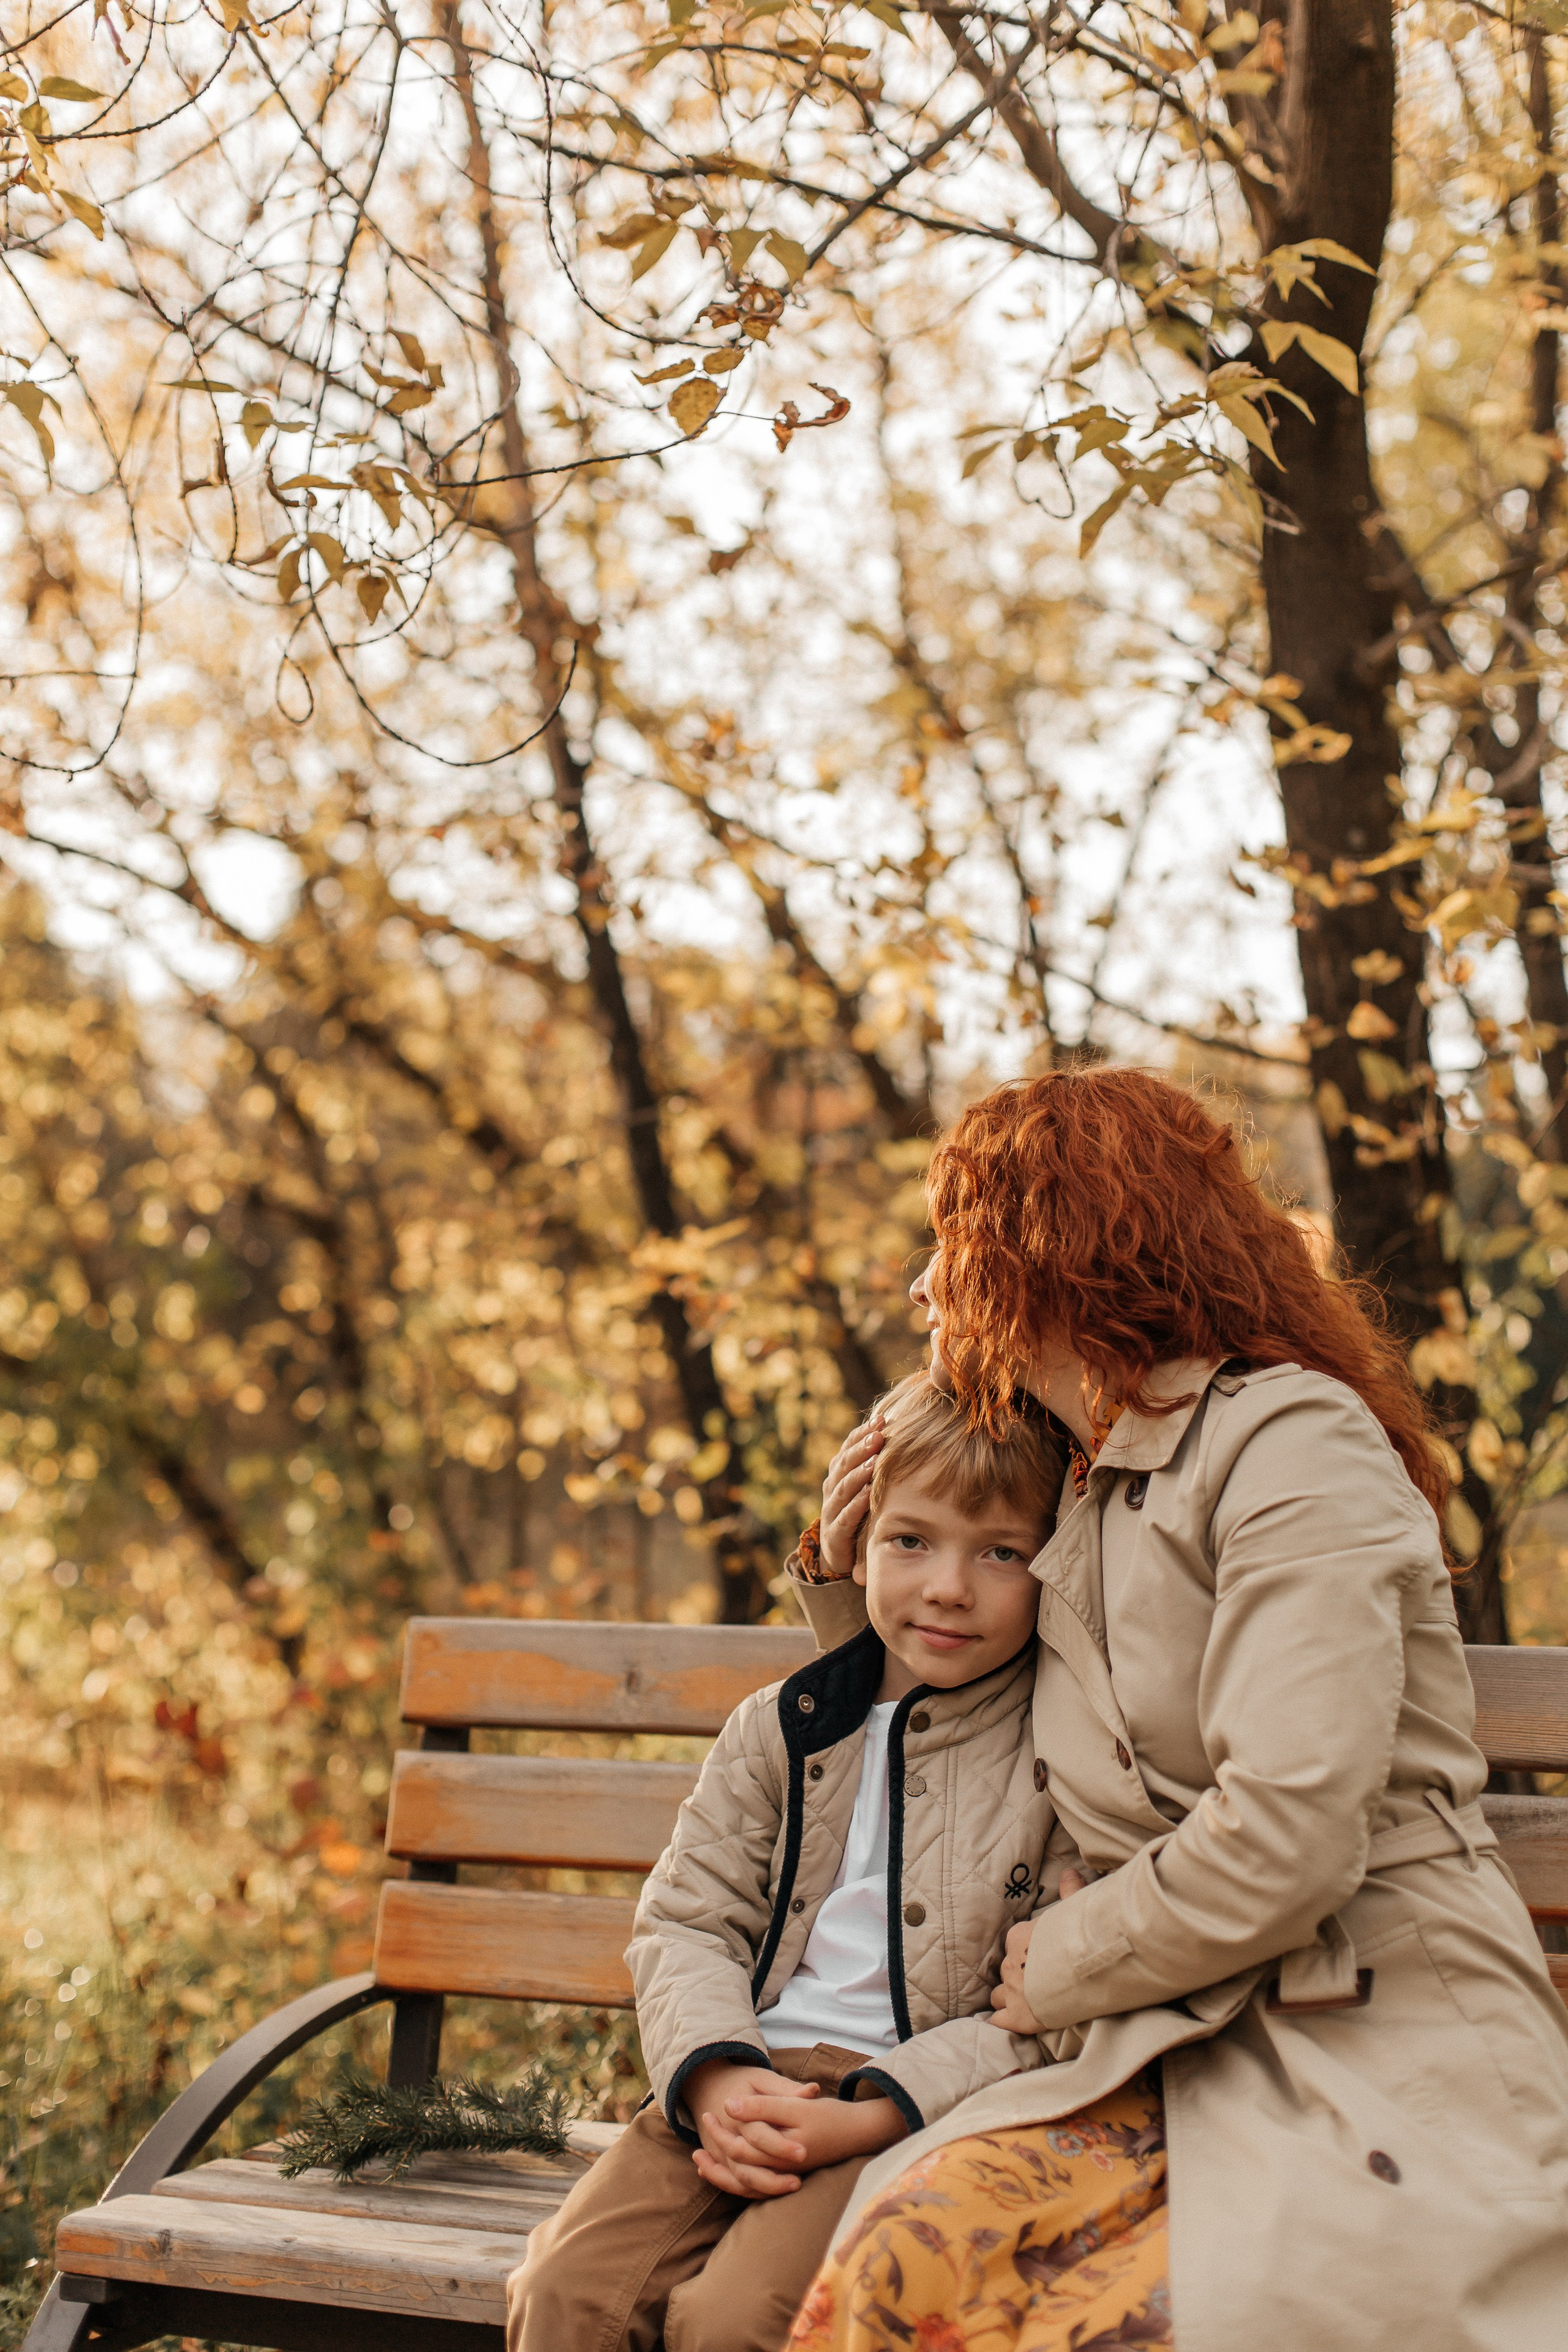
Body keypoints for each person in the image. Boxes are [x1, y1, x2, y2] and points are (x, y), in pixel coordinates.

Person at [784, 1067, 1568, 2352]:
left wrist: (1071, 1957)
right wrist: (840, 1572)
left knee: (1156, 2319)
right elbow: (970, 1744)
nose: (923, 1285)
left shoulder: (1290, 1447)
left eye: (952, 1240)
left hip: (1361, 2021)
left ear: (1050, 1248)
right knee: (902, 2263)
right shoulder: (1075, 1487)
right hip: (1157, 2032)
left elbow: (1292, 1832)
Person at [505, 1372, 1078, 2352]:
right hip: (738, 2074)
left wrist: (873, 2115)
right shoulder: (782, 1728)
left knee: (736, 2322)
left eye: (1000, 1552)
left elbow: (1042, 2011)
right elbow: (687, 1920)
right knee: (566, 2296)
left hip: (909, 2110)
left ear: (1055, 1566)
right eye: (912, 1540)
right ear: (857, 1538)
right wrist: (714, 2080)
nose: (948, 1584)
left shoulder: (1058, 1753)